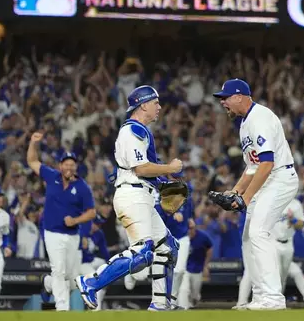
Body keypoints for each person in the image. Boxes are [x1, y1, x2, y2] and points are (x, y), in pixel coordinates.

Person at [74, 85, 183, 311]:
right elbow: (141, 169)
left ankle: (161, 305)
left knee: (167, 248)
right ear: (143, 104)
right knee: (143, 253)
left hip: (139, 193)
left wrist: (163, 182)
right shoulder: (132, 130)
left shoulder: (140, 131)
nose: (159, 107)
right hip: (132, 195)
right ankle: (90, 282)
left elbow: (134, 170)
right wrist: (169, 167)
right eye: (155, 102)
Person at [213, 78, 298, 310]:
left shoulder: (260, 118)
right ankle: (261, 296)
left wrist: (246, 198)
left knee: (259, 232)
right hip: (267, 178)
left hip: (280, 177)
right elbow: (252, 168)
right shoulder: (245, 123)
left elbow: (267, 164)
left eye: (225, 98)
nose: (223, 103)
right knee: (249, 238)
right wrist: (234, 192)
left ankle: (273, 298)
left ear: (239, 96)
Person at [27, 138, 96, 312]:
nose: (69, 167)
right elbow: (32, 161)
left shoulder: (82, 187)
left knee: (71, 278)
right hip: (52, 232)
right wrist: (33, 143)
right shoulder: (51, 176)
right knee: (58, 270)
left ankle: (47, 283)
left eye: (72, 164)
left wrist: (75, 220)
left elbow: (91, 212)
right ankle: (62, 309)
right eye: (66, 164)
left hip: (72, 235)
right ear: (60, 166)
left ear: (76, 167)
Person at [235, 197, 304, 309]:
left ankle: (276, 302)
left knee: (282, 276)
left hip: (288, 244)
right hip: (271, 241)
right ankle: (249, 302)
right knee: (265, 273)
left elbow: (301, 224)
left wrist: (293, 220)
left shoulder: (295, 204)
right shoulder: (271, 199)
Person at [177, 226, 213, 309]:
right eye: (188, 228)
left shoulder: (203, 236)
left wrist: (205, 265)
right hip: (185, 268)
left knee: (195, 295)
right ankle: (184, 308)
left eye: (191, 228)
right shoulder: (181, 237)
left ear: (195, 228)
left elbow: (210, 249)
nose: (190, 230)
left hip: (197, 268)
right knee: (184, 289)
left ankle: (194, 299)